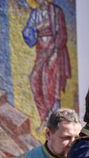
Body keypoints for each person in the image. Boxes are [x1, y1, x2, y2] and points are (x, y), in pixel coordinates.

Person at [23, 0, 71, 128]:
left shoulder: (56, 12)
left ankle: (55, 121)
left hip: (54, 53)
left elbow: (62, 34)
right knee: (34, 81)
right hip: (41, 53)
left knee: (49, 86)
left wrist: (55, 54)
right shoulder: (36, 13)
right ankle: (44, 116)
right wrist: (32, 30)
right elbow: (28, 35)